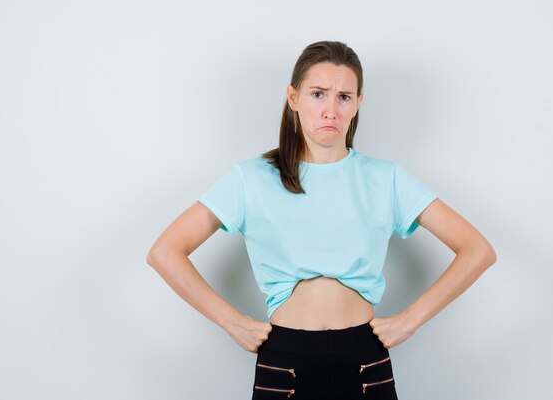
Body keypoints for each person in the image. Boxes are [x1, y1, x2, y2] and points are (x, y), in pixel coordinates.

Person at [146, 40, 496, 399]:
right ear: (293, 98)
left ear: (359, 103)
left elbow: (477, 250)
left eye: (344, 96)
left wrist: (411, 320)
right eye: (318, 94)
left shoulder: (385, 178)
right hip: (285, 360)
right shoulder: (250, 178)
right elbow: (166, 251)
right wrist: (230, 321)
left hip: (364, 357)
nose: (331, 109)